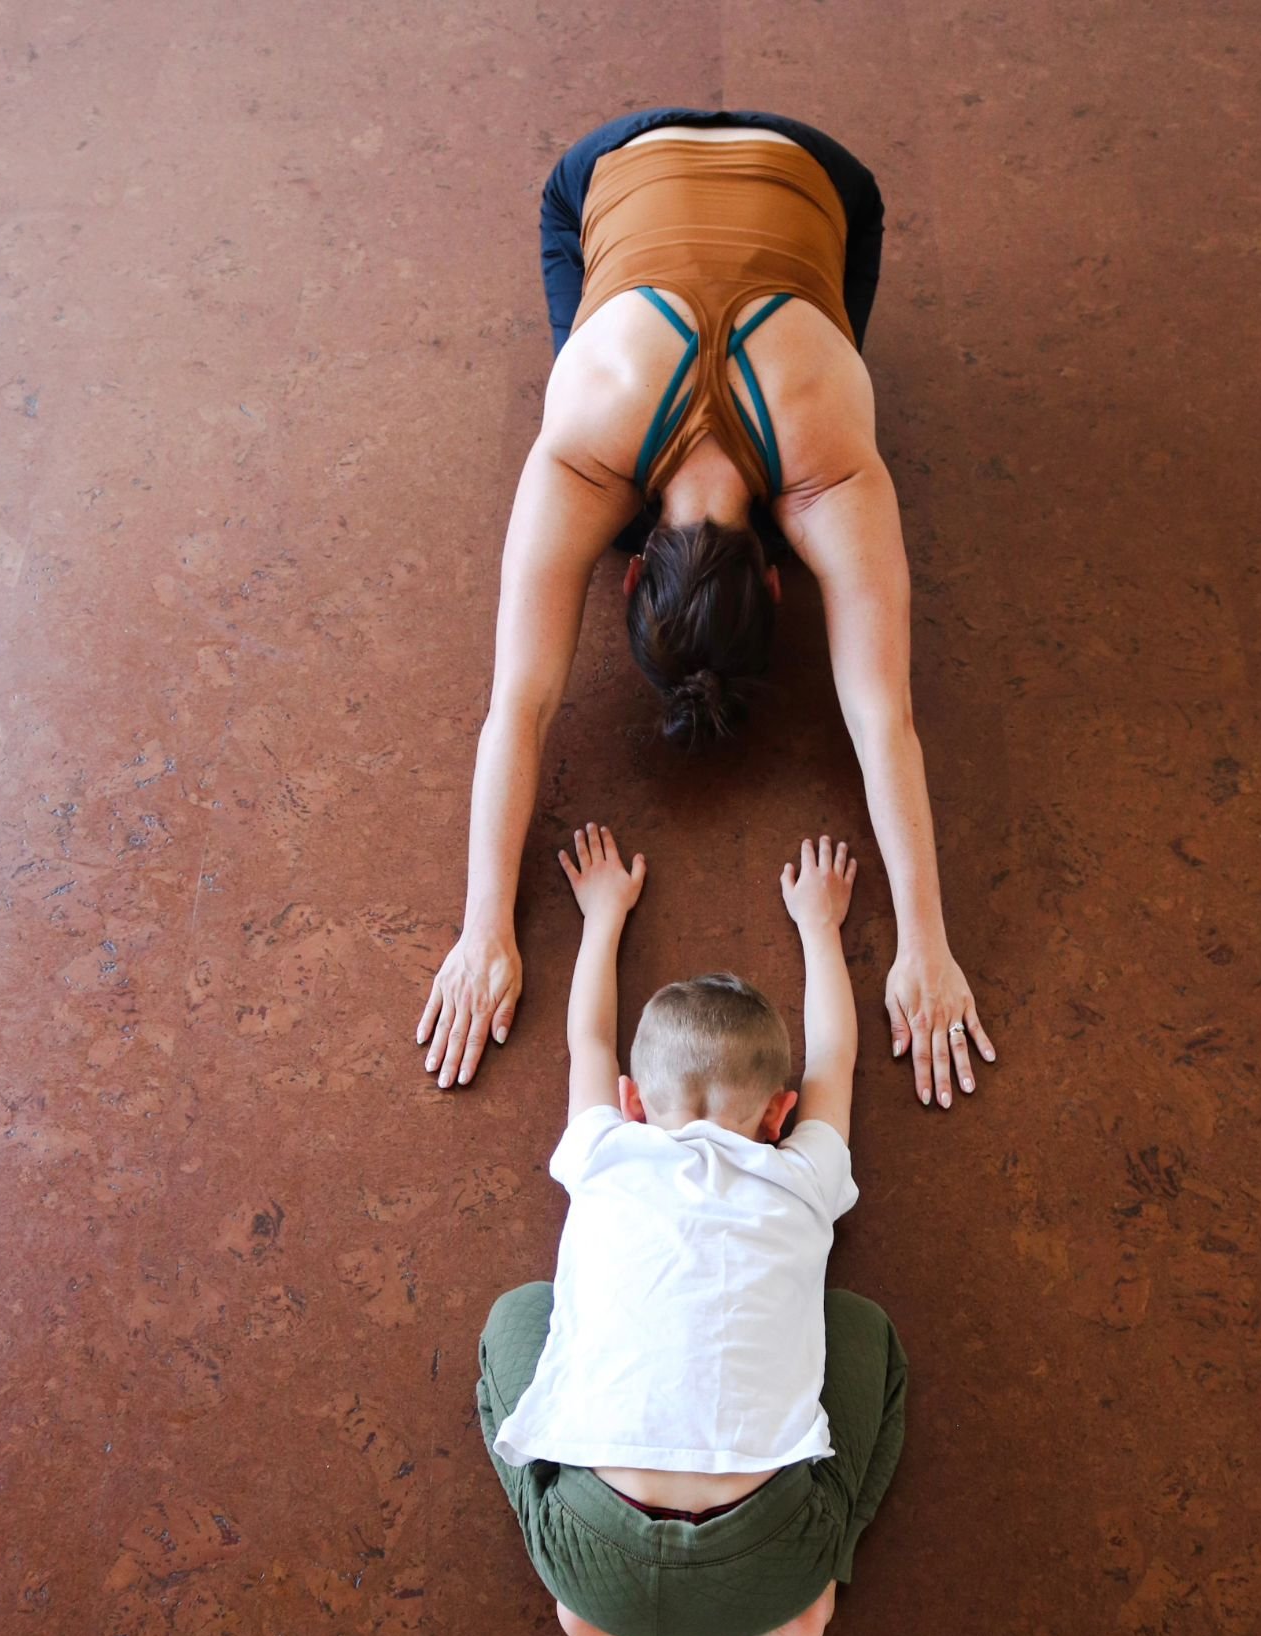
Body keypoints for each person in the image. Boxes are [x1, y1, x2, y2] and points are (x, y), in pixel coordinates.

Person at [418, 107, 998, 1110]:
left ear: (770, 580)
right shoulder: (596, 443)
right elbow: (879, 720)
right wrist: (919, 946)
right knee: (594, 338)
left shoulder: (792, 463)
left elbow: (521, 705)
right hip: (636, 167)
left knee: (808, 330)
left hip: (823, 176)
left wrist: (491, 930)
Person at [476, 824, 907, 1636]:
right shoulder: (801, 1173)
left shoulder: (603, 1147)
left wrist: (603, 916)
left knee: (516, 1318)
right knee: (866, 1331)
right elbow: (837, 1059)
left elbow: (588, 1034)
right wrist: (819, 925)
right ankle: (809, 1604)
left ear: (632, 1103)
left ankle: (587, 1620)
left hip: (599, 1563)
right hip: (772, 1559)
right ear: (782, 1116)